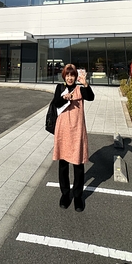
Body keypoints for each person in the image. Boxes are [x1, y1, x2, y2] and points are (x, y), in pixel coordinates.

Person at [52, 63, 94, 212]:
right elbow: (56, 103)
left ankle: (77, 196)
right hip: (63, 130)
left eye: (72, 75)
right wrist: (65, 98)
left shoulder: (80, 89)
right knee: (63, 163)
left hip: (77, 130)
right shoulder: (60, 88)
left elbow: (91, 97)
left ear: (76, 76)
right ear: (64, 76)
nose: (70, 78)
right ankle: (65, 194)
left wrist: (85, 84)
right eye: (67, 75)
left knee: (78, 164)